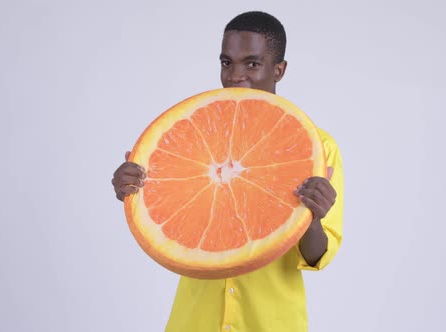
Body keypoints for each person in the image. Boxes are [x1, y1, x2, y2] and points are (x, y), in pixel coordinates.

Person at [112, 11, 343, 332]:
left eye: (252, 63)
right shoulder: (193, 135)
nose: (235, 75)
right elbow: (168, 204)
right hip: (193, 321)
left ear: (279, 70)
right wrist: (134, 187)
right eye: (226, 63)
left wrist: (312, 218)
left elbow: (318, 256)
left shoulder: (317, 147)